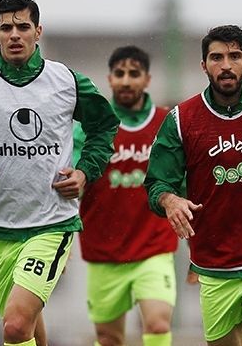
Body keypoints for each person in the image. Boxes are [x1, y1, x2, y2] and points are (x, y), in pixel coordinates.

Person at [0, 0, 119, 346]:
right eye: (6, 28)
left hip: (51, 223)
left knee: (15, 326)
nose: (14, 34)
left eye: (23, 27)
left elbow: (104, 126)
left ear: (38, 31)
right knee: (24, 325)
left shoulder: (65, 81)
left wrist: (83, 172)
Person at [144, 25, 242, 346]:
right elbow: (157, 181)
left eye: (235, 56)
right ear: (204, 65)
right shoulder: (182, 120)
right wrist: (170, 201)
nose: (226, 65)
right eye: (217, 57)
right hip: (214, 262)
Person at [74, 46, 178, 346]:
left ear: (147, 79)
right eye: (120, 74)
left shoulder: (166, 123)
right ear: (109, 79)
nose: (126, 81)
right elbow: (72, 176)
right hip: (104, 252)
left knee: (158, 324)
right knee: (108, 338)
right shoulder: (92, 127)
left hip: (153, 248)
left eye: (134, 74)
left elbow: (185, 181)